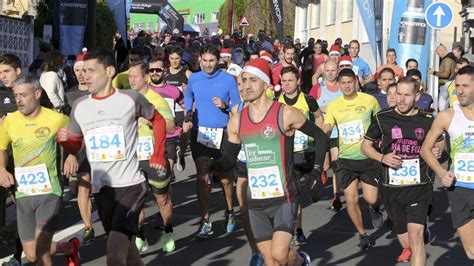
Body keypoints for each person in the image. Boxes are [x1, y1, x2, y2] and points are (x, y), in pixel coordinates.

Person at [211, 58, 328, 265]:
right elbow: (229, 157)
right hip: (255, 201)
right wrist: (215, 167)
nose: (246, 85)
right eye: (243, 80)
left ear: (266, 84)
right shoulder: (237, 120)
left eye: (253, 80)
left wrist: (317, 171)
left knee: (280, 254)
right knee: (270, 261)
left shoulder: (285, 113)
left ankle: (300, 261)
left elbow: (319, 136)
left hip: (284, 197)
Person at [57, 49, 168, 265]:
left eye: (91, 70)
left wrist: (158, 154)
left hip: (130, 185)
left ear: (109, 71)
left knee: (114, 256)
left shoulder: (130, 99)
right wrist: (66, 142)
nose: (85, 75)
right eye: (82, 71)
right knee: (127, 251)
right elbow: (77, 144)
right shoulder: (80, 107)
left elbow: (159, 120)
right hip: (101, 189)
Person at [362, 77, 445, 264]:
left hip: (419, 187)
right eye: (398, 94)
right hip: (392, 189)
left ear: (417, 96)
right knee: (406, 240)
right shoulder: (383, 118)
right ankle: (416, 237)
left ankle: (420, 234)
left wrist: (438, 149)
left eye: (407, 95)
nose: (401, 99)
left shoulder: (427, 120)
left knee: (416, 236)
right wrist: (383, 158)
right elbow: (365, 146)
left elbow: (440, 141)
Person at [0, 75, 81, 266]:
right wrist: (2, 169)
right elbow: (1, 148)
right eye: (16, 95)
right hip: (23, 193)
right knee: (31, 254)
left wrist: (71, 155)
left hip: (49, 192)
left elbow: (77, 138)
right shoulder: (10, 122)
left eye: (23, 95)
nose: (18, 100)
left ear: (37, 94)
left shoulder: (56, 119)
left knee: (42, 250)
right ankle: (69, 248)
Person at [183, 45, 241, 238]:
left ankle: (230, 211)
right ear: (200, 59)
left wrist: (225, 106)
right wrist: (189, 113)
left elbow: (237, 103)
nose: (208, 64)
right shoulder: (195, 78)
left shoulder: (227, 80)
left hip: (222, 132)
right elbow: (188, 95)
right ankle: (205, 220)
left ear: (218, 61)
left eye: (212, 61)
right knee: (202, 176)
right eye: (205, 60)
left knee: (224, 177)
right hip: (200, 132)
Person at [323, 68, 383, 250]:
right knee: (351, 198)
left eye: (350, 82)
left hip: (367, 157)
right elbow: (328, 125)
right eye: (343, 83)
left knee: (371, 198)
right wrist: (320, 133)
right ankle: (362, 234)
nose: (347, 86)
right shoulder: (334, 105)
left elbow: (380, 122)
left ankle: (374, 208)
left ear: (356, 82)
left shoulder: (369, 100)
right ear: (339, 85)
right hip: (346, 159)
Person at [421, 65, 474, 261]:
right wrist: (442, 173)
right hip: (459, 188)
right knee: (471, 252)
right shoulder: (447, 116)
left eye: (465, 86)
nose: (460, 90)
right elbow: (425, 149)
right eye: (457, 86)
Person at [277, 65, 324, 246]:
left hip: (309, 152)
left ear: (298, 81)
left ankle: (315, 188)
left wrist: (320, 134)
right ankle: (298, 230)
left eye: (290, 80)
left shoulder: (307, 100)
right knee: (294, 195)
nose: (287, 84)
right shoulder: (277, 102)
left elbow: (319, 117)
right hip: (290, 154)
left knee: (313, 191)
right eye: (284, 81)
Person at [64, 49, 96, 242]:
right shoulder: (70, 95)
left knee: (101, 188)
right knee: (83, 187)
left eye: (85, 70)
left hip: (101, 146)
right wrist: (70, 152)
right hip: (81, 147)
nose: (81, 74)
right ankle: (88, 226)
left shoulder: (99, 91)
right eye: (78, 70)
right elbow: (67, 126)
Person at [309, 60, 343, 211]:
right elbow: (309, 106)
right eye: (327, 70)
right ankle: (320, 175)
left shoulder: (343, 87)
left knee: (336, 164)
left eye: (333, 70)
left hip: (337, 131)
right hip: (322, 132)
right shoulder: (318, 88)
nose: (330, 73)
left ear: (337, 71)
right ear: (323, 72)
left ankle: (336, 196)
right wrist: (320, 108)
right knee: (326, 164)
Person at [149, 57, 186, 182]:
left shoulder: (173, 90)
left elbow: (186, 106)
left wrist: (188, 120)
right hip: (150, 135)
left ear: (164, 71)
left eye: (158, 70)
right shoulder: (144, 91)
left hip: (170, 134)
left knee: (166, 173)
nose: (154, 73)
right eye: (151, 70)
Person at [164, 45, 192, 172]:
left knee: (184, 137)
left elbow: (196, 92)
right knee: (168, 142)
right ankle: (170, 165)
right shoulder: (163, 73)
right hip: (168, 111)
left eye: (177, 58)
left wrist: (188, 91)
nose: (174, 61)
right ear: (168, 58)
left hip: (182, 110)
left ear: (181, 58)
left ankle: (181, 154)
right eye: (172, 58)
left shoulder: (187, 73)